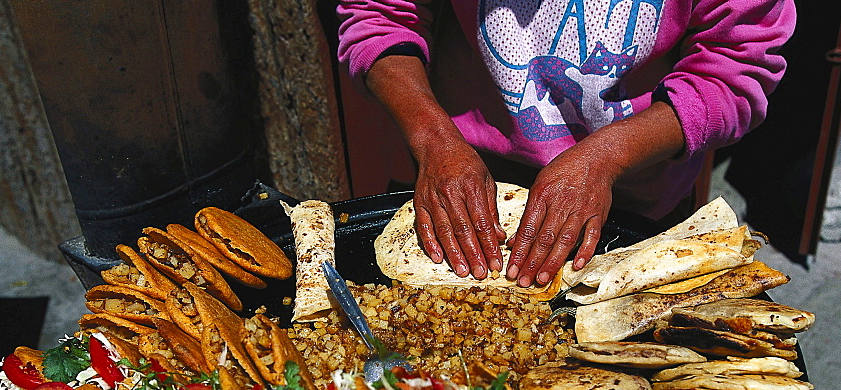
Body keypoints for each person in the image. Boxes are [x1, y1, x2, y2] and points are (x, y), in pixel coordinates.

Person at [337, 0, 796, 287]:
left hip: (637, 206)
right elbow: (379, 13)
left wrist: (605, 156)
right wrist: (435, 139)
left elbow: (733, 71)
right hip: (455, 181)